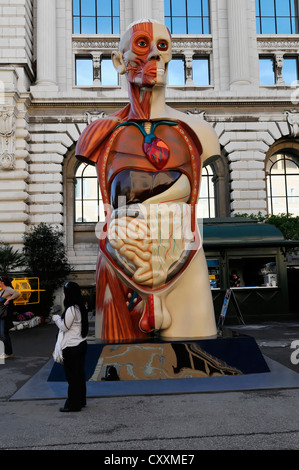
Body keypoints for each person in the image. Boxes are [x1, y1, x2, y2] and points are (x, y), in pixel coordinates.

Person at [76, 20, 221, 341]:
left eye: (162, 46)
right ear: (119, 60)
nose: (154, 54)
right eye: (142, 44)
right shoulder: (99, 135)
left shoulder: (199, 133)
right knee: (118, 363)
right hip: (120, 267)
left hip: (185, 264)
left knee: (193, 364)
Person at [52, 281, 88, 412]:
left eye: (65, 292)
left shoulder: (71, 309)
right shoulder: (80, 307)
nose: (63, 294)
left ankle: (73, 404)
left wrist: (56, 318)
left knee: (72, 377)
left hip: (72, 347)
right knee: (79, 375)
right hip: (81, 343)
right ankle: (81, 400)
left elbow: (64, 327)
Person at [0, 275, 20, 359]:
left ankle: (8, 353)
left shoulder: (8, 289)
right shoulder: (2, 291)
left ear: (1, 282)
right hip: (1, 315)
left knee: (4, 334)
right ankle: (8, 352)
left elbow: (17, 293)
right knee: (3, 334)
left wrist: (8, 299)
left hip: (4, 316)